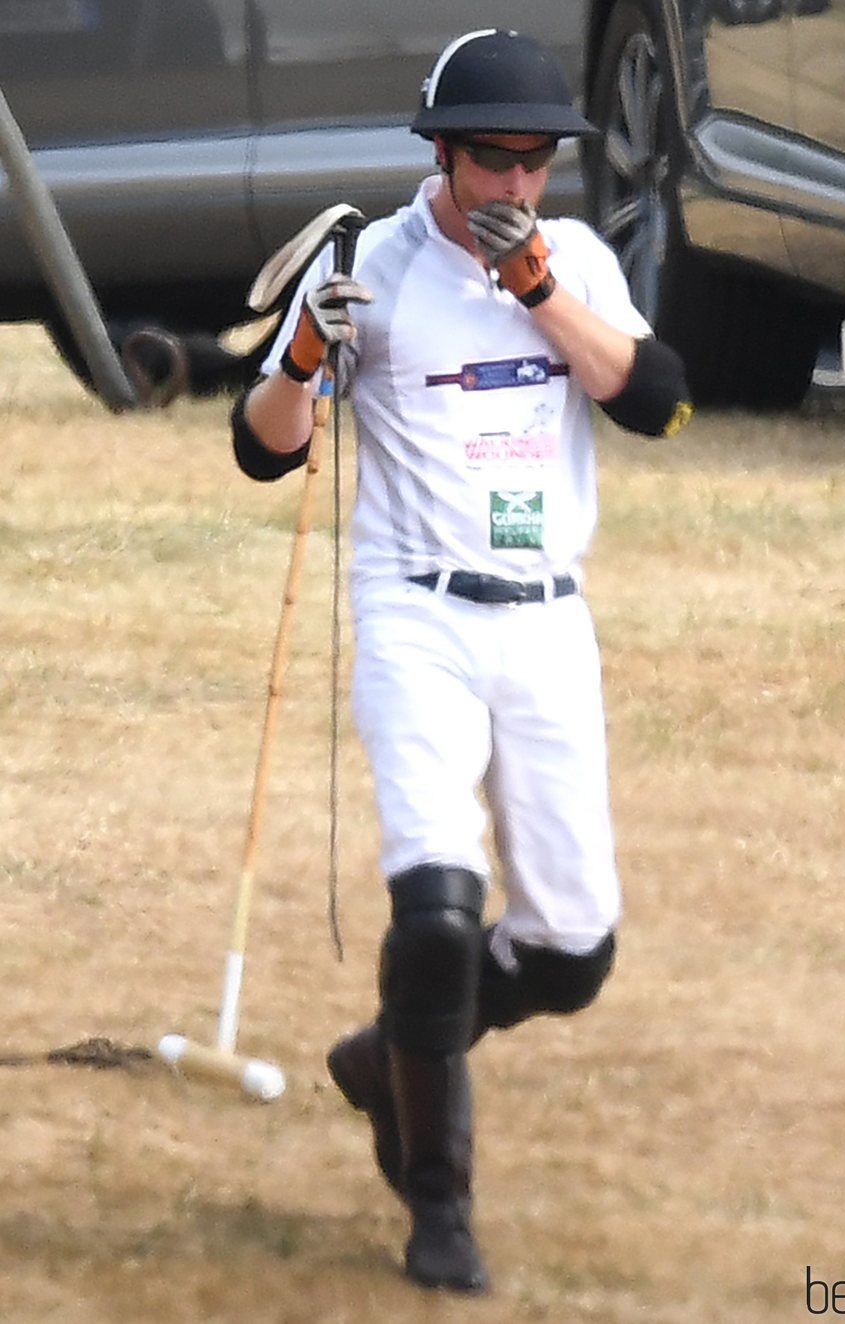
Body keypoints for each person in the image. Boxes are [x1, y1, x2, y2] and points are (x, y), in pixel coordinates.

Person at [231, 27, 691, 1296]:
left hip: (545, 613)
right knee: (435, 914)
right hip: (415, 610)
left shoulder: (576, 256)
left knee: (569, 950)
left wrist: (544, 289)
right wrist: (313, 352)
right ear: (442, 154)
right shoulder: (372, 265)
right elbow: (260, 445)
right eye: (492, 161)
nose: (515, 186)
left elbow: (657, 399)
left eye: (536, 162)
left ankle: (390, 1053)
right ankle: (438, 1203)